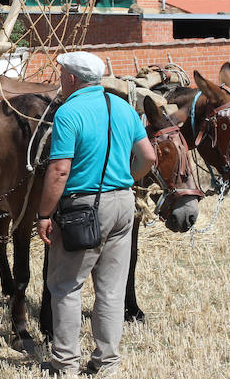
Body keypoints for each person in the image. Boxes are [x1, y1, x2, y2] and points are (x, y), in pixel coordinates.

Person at [36, 52, 157, 376]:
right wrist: (126, 180)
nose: (60, 80)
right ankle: (106, 363)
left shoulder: (68, 112)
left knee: (66, 287)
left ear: (73, 79)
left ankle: (65, 365)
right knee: (111, 291)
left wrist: (44, 214)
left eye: (62, 74)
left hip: (83, 209)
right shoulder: (122, 107)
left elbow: (60, 170)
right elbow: (148, 156)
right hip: (123, 205)